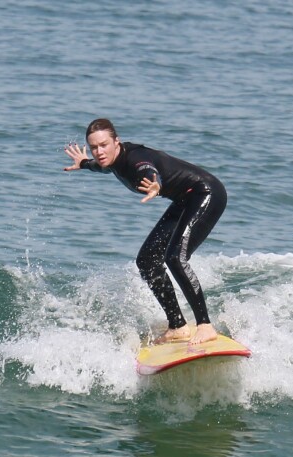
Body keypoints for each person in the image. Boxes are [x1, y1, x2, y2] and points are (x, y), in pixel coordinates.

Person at [64, 118, 227, 345]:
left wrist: (155, 184)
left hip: (206, 194)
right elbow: (99, 166)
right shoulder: (108, 161)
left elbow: (149, 170)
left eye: (104, 145)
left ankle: (205, 326)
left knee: (174, 258)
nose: (99, 152)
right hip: (184, 200)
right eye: (94, 147)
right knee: (148, 261)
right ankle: (177, 325)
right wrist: (83, 163)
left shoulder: (135, 160)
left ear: (116, 142)